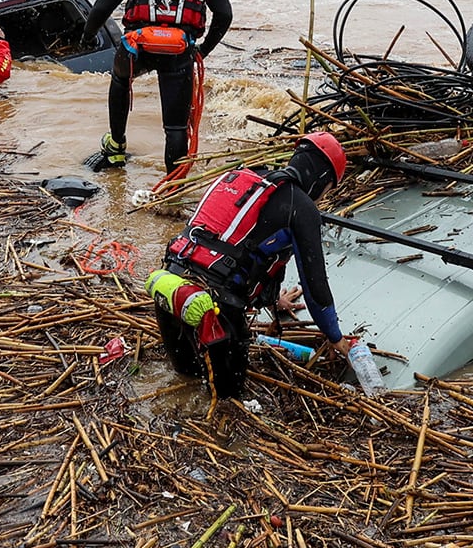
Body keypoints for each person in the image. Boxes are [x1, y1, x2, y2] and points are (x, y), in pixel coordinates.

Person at [146, 132, 351, 409]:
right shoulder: (301, 208)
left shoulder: (240, 177)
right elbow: (317, 290)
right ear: (323, 179)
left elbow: (235, 246)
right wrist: (336, 337)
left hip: (172, 291)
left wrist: (274, 299)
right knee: (227, 404)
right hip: (214, 312)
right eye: (328, 189)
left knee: (184, 382)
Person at [80, 0, 232, 172]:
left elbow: (102, 6)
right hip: (179, 53)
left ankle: (116, 146)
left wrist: (87, 37)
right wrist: (202, 51)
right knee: (175, 128)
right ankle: (173, 186)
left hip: (137, 49)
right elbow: (225, 14)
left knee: (120, 79)